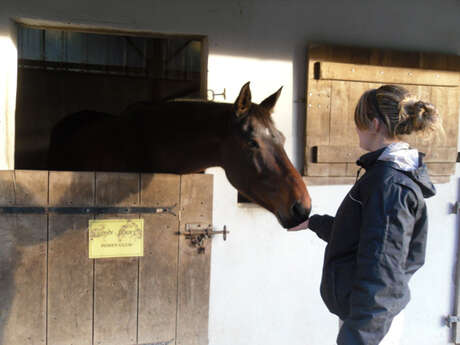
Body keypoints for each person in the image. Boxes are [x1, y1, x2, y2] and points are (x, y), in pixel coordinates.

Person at [289, 84, 442, 345]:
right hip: (366, 316)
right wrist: (316, 223)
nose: (355, 129)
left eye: (358, 122)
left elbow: (382, 271)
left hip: (370, 323)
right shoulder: (383, 176)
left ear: (374, 124)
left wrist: (357, 337)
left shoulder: (389, 185)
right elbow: (365, 238)